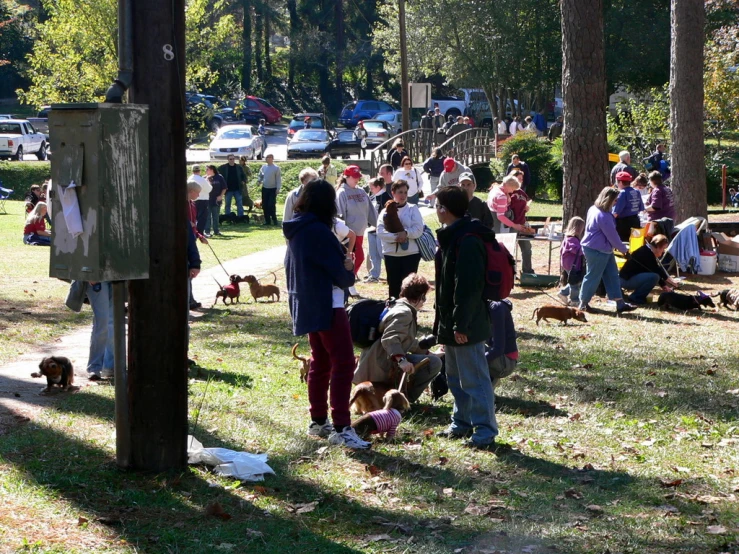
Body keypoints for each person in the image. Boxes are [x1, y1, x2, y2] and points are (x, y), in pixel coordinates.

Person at [283, 179, 370, 449]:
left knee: (320, 362)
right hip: (328, 305)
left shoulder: (297, 229)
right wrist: (349, 263)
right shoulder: (319, 231)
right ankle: (342, 427)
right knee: (343, 363)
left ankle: (319, 420)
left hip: (308, 304)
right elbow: (343, 277)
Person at [434, 186, 498, 448]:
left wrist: (462, 324)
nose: (436, 209)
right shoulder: (452, 236)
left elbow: (469, 288)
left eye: (437, 205)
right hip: (452, 321)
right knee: (455, 377)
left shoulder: (468, 240)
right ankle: (461, 422)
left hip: (467, 322)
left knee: (475, 378)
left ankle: (484, 431)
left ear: (444, 210)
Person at [354, 274, 442, 402]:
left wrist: (430, 353)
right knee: (434, 363)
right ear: (420, 296)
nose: (424, 302)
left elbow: (406, 341)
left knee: (433, 359)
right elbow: (390, 338)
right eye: (424, 297)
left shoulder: (397, 306)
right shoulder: (404, 313)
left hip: (380, 359)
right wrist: (402, 360)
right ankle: (404, 400)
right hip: (382, 364)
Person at [577, 186, 637, 314]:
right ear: (609, 200)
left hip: (602, 249)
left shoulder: (594, 209)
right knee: (593, 276)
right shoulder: (604, 216)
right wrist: (624, 250)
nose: (616, 202)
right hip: (597, 250)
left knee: (612, 275)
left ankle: (620, 303)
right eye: (615, 200)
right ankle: (583, 303)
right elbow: (612, 236)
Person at [377, 181, 424, 299]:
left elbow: (418, 230)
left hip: (411, 254)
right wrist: (397, 237)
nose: (403, 195)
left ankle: (409, 315)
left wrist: (406, 233)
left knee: (409, 289)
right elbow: (380, 231)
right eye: (400, 192)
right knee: (393, 288)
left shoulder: (413, 209)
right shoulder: (385, 211)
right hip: (391, 254)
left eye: (405, 192)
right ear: (393, 193)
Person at [335, 166, 377, 292]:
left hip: (360, 231)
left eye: (358, 177)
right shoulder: (341, 193)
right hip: (349, 233)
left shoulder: (361, 191)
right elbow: (339, 214)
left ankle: (349, 281)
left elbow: (370, 210)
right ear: (346, 177)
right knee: (357, 257)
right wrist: (343, 231)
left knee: (355, 258)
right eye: (354, 177)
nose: (356, 180)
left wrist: (377, 224)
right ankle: (348, 282)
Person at [619, 234, 677, 305]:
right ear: (658, 247)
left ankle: (636, 296)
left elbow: (653, 269)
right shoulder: (646, 253)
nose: (663, 251)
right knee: (654, 277)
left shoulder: (647, 250)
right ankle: (636, 297)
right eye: (663, 249)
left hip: (626, 279)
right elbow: (657, 270)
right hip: (625, 280)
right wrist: (672, 281)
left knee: (654, 276)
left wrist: (664, 286)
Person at [509, 169, 533, 274]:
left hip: (523, 223)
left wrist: (528, 206)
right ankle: (510, 272)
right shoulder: (508, 192)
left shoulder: (522, 193)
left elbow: (527, 203)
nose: (520, 181)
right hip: (511, 225)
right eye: (518, 179)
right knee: (510, 250)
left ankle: (527, 271)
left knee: (527, 249)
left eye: (521, 179)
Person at [557, 216, 586, 306]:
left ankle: (563, 292)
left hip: (569, 264)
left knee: (574, 281)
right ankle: (574, 300)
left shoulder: (569, 238)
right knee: (575, 285)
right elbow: (575, 249)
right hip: (571, 264)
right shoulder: (572, 239)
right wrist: (584, 250)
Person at [365, 177, 387, 283]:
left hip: (381, 230)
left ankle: (392, 273)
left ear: (378, 187)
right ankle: (374, 275)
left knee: (382, 253)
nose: (370, 190)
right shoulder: (372, 196)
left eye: (372, 187)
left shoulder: (385, 197)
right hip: (371, 229)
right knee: (373, 254)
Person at [612, 171, 644, 241]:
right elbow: (640, 208)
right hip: (636, 221)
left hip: (624, 225)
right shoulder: (637, 191)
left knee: (625, 244)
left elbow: (615, 213)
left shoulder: (622, 193)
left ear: (620, 182)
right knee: (635, 243)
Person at [258, 154, 281, 226]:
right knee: (265, 205)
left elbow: (278, 179)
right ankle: (267, 220)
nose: (267, 159)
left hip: (273, 189)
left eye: (268, 157)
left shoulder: (276, 168)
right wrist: (259, 181)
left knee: (271, 205)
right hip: (265, 188)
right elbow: (261, 176)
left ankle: (274, 220)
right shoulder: (263, 167)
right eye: (266, 157)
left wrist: (278, 188)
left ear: (272, 158)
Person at [204, 165, 226, 237]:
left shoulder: (219, 177)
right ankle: (207, 231)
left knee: (216, 216)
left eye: (207, 169)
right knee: (207, 217)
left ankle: (216, 231)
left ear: (212, 170)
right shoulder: (204, 178)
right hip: (207, 200)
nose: (206, 171)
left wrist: (221, 196)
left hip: (216, 200)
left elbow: (224, 188)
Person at [189, 165, 212, 235]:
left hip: (192, 200)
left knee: (193, 217)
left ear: (192, 171)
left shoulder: (189, 179)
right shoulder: (202, 179)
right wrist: (208, 182)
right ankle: (200, 232)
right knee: (202, 217)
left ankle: (193, 231)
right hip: (203, 200)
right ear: (199, 171)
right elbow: (209, 189)